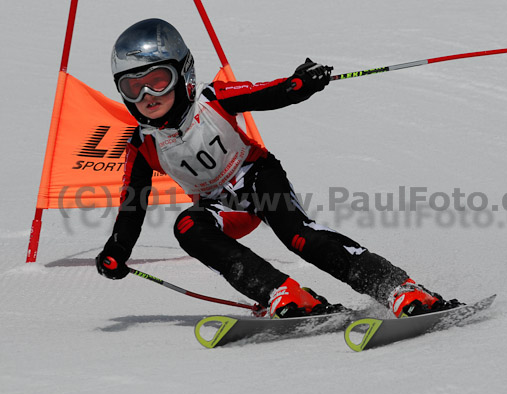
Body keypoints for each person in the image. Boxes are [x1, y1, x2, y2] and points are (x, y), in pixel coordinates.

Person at [96, 18, 461, 318]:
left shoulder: (212, 99)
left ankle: (399, 288)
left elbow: (266, 92)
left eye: (158, 81)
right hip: (221, 206)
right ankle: (283, 294)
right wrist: (117, 249)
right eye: (134, 87)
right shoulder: (141, 144)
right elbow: (132, 205)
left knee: (298, 235)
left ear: (184, 74)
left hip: (257, 177)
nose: (148, 97)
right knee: (188, 226)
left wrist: (299, 84)